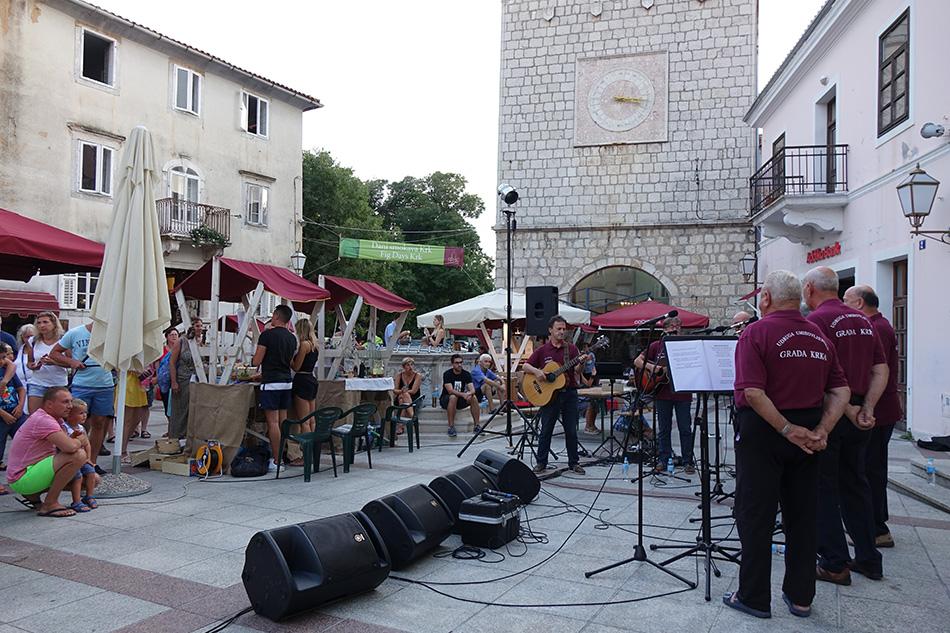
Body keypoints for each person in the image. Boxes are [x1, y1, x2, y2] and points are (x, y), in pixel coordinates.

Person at [723, 270, 850, 619]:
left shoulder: (756, 332)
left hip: (766, 431)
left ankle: (753, 596)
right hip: (809, 433)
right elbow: (840, 390)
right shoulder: (819, 335)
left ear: (765, 298)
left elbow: (753, 392)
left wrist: (786, 428)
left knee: (756, 514)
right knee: (803, 515)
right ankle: (801, 596)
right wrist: (821, 430)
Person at [803, 267, 888, 585]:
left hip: (831, 412)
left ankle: (834, 562)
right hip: (859, 413)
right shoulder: (864, 321)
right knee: (856, 483)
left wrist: (849, 409)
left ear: (809, 288)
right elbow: (880, 369)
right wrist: (867, 407)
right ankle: (869, 557)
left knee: (823, 487)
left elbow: (819, 374)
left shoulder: (816, 321)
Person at [843, 284, 902, 548]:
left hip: (878, 410)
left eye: (846, 300)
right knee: (870, 468)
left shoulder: (874, 328)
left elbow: (874, 370)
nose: (843, 305)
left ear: (859, 303)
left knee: (870, 470)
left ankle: (876, 528)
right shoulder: (877, 325)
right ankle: (872, 525)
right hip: (879, 409)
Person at [5, 387, 87, 517]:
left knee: (89, 480)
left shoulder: (54, 419)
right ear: (49, 404)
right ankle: (50, 503)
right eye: (65, 402)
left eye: (71, 401)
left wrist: (72, 440)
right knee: (78, 455)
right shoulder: (44, 420)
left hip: (29, 472)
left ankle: (33, 495)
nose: (70, 406)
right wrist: (80, 440)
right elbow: (70, 448)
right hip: (22, 478)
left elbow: (64, 446)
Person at [523, 316, 588, 475]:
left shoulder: (571, 349)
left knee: (571, 430)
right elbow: (526, 366)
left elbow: (577, 371)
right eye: (558, 329)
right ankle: (541, 462)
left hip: (569, 393)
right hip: (549, 396)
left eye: (564, 329)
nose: (562, 331)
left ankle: (574, 462)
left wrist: (582, 363)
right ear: (550, 330)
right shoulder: (543, 350)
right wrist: (537, 372)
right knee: (546, 430)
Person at [634, 316, 696, 474]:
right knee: (664, 429)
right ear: (665, 329)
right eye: (671, 326)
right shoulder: (656, 345)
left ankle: (688, 461)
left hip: (682, 393)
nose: (675, 329)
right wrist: (653, 368)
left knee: (685, 428)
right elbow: (637, 361)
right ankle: (663, 459)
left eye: (678, 326)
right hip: (662, 393)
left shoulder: (686, 345)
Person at [50, 322, 116, 467]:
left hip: (105, 385)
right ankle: (76, 460)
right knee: (77, 422)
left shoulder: (113, 332)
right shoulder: (75, 332)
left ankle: (92, 462)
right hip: (81, 384)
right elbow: (54, 353)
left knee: (99, 423)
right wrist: (71, 361)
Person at [253, 305, 298, 471]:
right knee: (282, 422)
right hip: (286, 382)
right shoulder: (292, 338)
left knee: (272, 423)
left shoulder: (267, 335)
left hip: (271, 382)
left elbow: (257, 361)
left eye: (273, 315)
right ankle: (283, 455)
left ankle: (277, 461)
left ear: (277, 316)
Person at [23, 311, 67, 414]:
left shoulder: (63, 341)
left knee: (56, 416)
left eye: (45, 322)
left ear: (54, 324)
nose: (42, 325)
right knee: (35, 416)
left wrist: (54, 362)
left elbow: (71, 364)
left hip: (58, 384)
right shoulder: (33, 340)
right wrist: (33, 366)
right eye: (39, 323)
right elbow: (29, 362)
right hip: (37, 383)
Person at [60, 399, 98, 511]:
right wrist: (73, 436)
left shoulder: (81, 428)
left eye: (85, 412)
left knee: (91, 472)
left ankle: (89, 496)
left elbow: (87, 444)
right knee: (78, 476)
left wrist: (88, 458)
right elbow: (66, 444)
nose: (84, 415)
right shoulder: (64, 428)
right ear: (69, 415)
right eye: (81, 413)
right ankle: (76, 501)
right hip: (70, 460)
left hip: (82, 459)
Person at [169, 318, 204, 440]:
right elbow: (172, 362)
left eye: (201, 326)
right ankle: (176, 437)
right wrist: (174, 382)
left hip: (198, 380)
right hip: (183, 379)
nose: (200, 328)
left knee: (195, 410)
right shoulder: (182, 341)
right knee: (181, 410)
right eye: (197, 326)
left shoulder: (202, 341)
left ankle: (191, 438)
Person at [0, 343, 28, 478]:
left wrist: (20, 405)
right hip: (2, 416)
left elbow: (20, 389)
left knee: (25, 439)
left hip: (16, 412)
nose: (2, 361)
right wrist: (3, 414)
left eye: (3, 357)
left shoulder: (6, 370)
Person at [440, 353, 479, 437]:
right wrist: (463, 395)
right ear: (452, 364)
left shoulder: (466, 374)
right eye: (457, 363)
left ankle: (477, 426)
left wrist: (468, 394)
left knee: (474, 397)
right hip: (446, 399)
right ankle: (451, 427)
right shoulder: (447, 374)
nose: (459, 365)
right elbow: (450, 390)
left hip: (460, 399)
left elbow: (472, 390)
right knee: (453, 397)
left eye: (461, 362)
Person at [291, 318, 319, 434]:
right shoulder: (315, 345)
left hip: (302, 381)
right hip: (311, 379)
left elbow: (296, 367)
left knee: (304, 420)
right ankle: (313, 442)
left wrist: (289, 359)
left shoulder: (304, 345)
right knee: (312, 419)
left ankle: (306, 443)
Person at [392, 357, 422, 435]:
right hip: (401, 397)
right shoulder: (399, 375)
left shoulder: (417, 375)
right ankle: (413, 416)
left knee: (402, 399)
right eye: (408, 365)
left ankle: (400, 426)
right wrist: (401, 391)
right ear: (403, 367)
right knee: (402, 397)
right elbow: (395, 390)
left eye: (412, 365)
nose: (410, 367)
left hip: (414, 398)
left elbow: (413, 391)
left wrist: (402, 392)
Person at [14, 324, 36, 400]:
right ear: (22, 337)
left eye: (31, 336)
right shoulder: (18, 350)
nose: (29, 339)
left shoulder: (38, 350)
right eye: (27, 337)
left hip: (34, 386)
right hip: (20, 387)